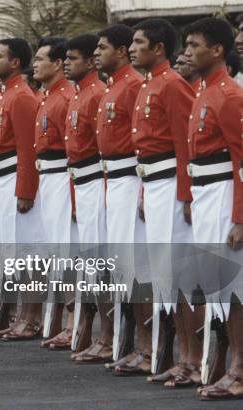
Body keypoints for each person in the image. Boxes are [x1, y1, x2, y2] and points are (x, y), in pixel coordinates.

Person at [129, 18, 200, 384]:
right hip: (153, 185)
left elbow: (185, 144)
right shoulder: (148, 84)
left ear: (159, 48)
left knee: (182, 275)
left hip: (172, 185)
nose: (132, 47)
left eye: (140, 42)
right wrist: (143, 192)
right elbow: (146, 150)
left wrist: (186, 195)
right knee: (164, 275)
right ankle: (181, 356)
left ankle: (193, 359)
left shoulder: (172, 84)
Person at [183, 17, 243, 401]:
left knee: (234, 286)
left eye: (193, 45)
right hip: (205, 195)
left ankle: (239, 368)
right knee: (217, 285)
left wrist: (240, 217)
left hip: (224, 193)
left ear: (217, 49)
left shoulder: (230, 95)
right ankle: (227, 362)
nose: (186, 53)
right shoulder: (204, 91)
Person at [93, 24, 146, 374]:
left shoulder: (132, 86)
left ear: (122, 52)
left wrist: (141, 190)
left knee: (136, 267)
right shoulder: (116, 86)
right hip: (112, 179)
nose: (98, 53)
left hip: (131, 179)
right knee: (120, 266)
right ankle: (129, 340)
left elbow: (146, 145)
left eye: (103, 47)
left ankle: (146, 344)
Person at [62, 33, 111, 363]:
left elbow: (105, 150)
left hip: (98, 183)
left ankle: (110, 337)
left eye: (73, 57)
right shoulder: (81, 95)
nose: (67, 62)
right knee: (89, 265)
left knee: (103, 265)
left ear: (91, 62)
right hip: (80, 182)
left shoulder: (97, 94)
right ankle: (100, 334)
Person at [0, 38, 40, 332]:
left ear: (16, 62)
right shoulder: (8, 93)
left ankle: (30, 317)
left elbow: (26, 149)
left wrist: (25, 190)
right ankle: (21, 314)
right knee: (13, 249)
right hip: (5, 177)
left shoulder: (21, 96)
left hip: (17, 179)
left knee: (27, 251)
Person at [33, 37, 77, 348]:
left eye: (41, 59)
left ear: (58, 63)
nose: (34, 64)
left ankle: (76, 323)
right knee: (55, 251)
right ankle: (67, 321)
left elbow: (76, 152)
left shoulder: (66, 98)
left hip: (64, 177)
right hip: (47, 177)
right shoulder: (47, 97)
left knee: (68, 251)